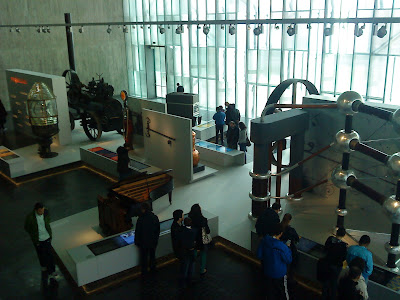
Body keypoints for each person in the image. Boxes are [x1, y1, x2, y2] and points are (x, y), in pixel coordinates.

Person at [24, 202, 58, 282]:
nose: (42, 212)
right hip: (38, 240)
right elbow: (27, 227)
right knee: (43, 255)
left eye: (43, 210)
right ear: (36, 210)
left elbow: (47, 221)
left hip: (47, 237)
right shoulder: (30, 217)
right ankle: (47, 269)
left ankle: (52, 271)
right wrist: (34, 234)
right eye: (40, 211)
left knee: (50, 255)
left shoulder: (46, 212)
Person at [257, 223, 292, 300]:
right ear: (281, 233)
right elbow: (288, 260)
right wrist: (288, 248)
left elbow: (259, 255)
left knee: (269, 291)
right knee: (283, 292)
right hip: (279, 274)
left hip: (267, 271)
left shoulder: (264, 241)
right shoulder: (282, 247)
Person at [319, 227, 348, 300]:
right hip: (336, 267)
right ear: (344, 235)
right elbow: (343, 257)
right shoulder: (343, 246)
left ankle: (324, 297)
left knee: (325, 283)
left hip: (327, 264)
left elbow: (325, 249)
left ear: (336, 233)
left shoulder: (330, 239)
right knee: (333, 284)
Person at [134, 202, 160, 275]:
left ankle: (144, 271)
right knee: (152, 255)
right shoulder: (154, 217)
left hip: (143, 243)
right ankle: (153, 269)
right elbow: (157, 230)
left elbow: (138, 231)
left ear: (143, 209)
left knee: (144, 257)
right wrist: (156, 240)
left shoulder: (141, 219)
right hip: (152, 242)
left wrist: (137, 242)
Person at [188, 204, 210, 275]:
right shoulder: (203, 220)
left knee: (193, 254)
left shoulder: (190, 218)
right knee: (203, 253)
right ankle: (202, 269)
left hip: (192, 239)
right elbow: (208, 231)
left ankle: (191, 269)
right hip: (201, 239)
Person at [178, 217, 197, 287]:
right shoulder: (194, 231)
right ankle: (190, 278)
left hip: (184, 250)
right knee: (191, 264)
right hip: (191, 250)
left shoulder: (182, 230)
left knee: (185, 265)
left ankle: (183, 281)